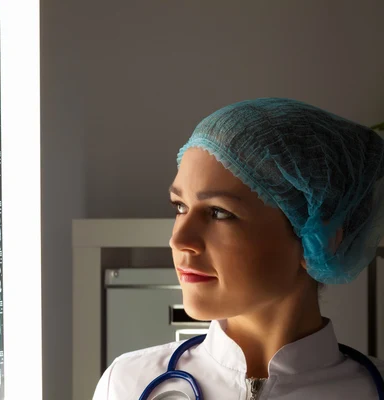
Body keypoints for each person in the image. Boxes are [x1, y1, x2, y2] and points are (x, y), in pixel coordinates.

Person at [92, 97, 384, 399]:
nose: (179, 241)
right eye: (180, 206)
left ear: (321, 237)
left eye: (219, 212)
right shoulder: (127, 383)